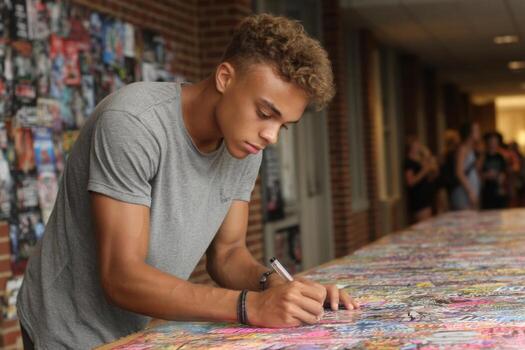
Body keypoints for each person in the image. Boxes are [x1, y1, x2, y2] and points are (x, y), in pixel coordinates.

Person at [16, 14, 359, 349]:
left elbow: (227, 256)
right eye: (265, 113)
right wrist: (252, 306)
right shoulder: (133, 123)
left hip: (139, 327)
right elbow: (121, 277)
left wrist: (282, 288)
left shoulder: (246, 146)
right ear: (225, 77)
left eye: (283, 125)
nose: (271, 136)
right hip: (68, 329)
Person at [404, 136, 438, 222]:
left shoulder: (419, 160)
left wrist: (428, 158)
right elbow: (410, 182)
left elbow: (432, 172)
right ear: (411, 147)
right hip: (419, 198)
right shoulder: (409, 162)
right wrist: (424, 171)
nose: (419, 146)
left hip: (427, 197)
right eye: (416, 144)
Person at [450, 122, 481, 210]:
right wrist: (470, 191)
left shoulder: (471, 148)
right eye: (476, 130)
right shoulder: (463, 149)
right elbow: (459, 172)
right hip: (464, 191)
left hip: (470, 189)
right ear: (470, 133)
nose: (479, 133)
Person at [481, 132, 507, 209]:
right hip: (486, 190)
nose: (493, 144)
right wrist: (486, 175)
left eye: (495, 142)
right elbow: (478, 172)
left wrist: (500, 178)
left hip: (499, 189)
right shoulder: (483, 156)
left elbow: (504, 171)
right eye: (491, 142)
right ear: (488, 142)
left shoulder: (500, 157)